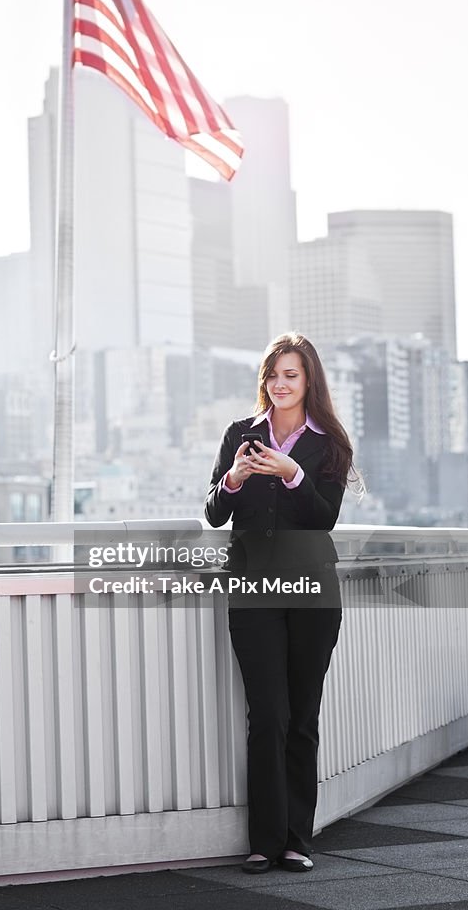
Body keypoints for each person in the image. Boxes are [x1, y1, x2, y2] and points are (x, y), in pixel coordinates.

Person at [205, 332, 357, 875]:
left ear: (308, 380)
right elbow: (213, 514)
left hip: (313, 593)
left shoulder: (331, 444)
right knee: (266, 714)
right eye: (273, 375)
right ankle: (263, 842)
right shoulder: (241, 435)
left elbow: (323, 519)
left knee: (301, 716)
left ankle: (297, 839)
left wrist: (292, 474)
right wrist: (234, 477)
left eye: (291, 375)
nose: (280, 384)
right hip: (253, 591)